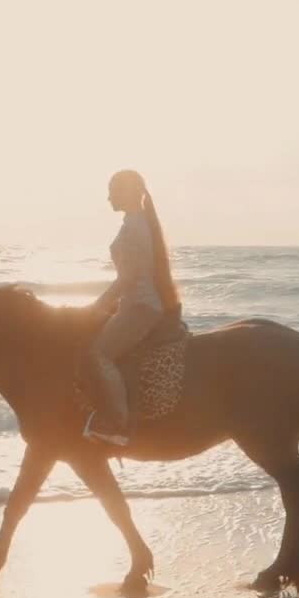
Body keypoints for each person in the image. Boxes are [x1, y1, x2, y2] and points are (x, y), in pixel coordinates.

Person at [81, 169, 179, 446]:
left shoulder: (136, 226)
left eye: (112, 189)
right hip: (132, 304)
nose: (108, 196)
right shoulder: (133, 223)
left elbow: (130, 278)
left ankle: (118, 424)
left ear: (127, 192)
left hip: (140, 307)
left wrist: (99, 305)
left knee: (99, 353)